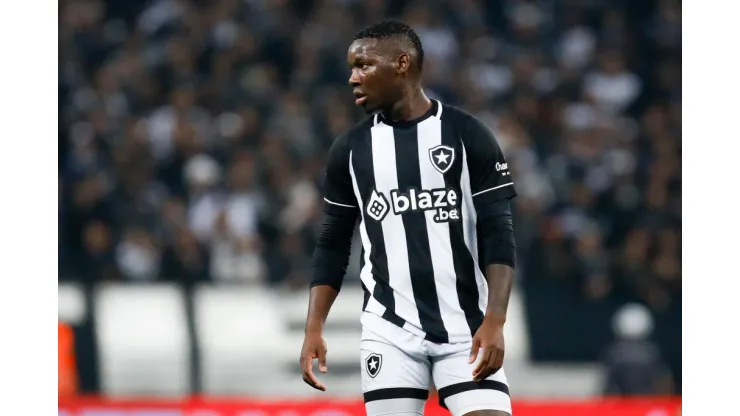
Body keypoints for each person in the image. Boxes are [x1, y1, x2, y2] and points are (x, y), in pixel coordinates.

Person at [300, 20, 517, 416]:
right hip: (390, 330)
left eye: (363, 66)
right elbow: (332, 243)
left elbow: (499, 233)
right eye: (351, 67)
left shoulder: (468, 135)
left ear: (401, 63)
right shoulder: (350, 150)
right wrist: (314, 326)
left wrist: (496, 320)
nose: (352, 78)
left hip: (466, 329)